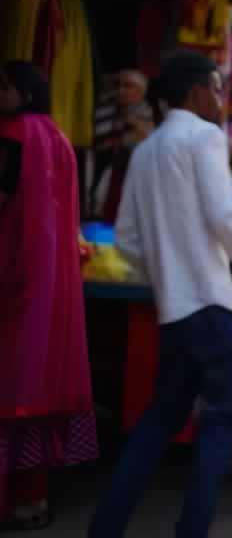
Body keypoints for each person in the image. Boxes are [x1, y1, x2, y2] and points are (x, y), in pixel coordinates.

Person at [90, 51, 232, 538]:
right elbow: (224, 219)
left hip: (175, 311)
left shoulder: (147, 149)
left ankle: (105, 527)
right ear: (197, 91)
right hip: (209, 306)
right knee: (222, 424)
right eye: (219, 89)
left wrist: (165, 273)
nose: (223, 100)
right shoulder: (204, 137)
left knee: (159, 421)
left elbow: (127, 240)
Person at [0, 62, 97, 531]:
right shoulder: (58, 138)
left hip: (11, 279)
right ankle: (31, 499)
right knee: (33, 389)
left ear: (24, 92)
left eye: (4, 87)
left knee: (7, 386)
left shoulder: (12, 135)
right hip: (51, 284)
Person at [90, 69, 156, 222]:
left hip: (131, 178)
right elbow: (95, 140)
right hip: (102, 172)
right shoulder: (103, 111)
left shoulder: (148, 116)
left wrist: (134, 126)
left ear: (141, 92)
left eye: (128, 86)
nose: (121, 90)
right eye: (117, 84)